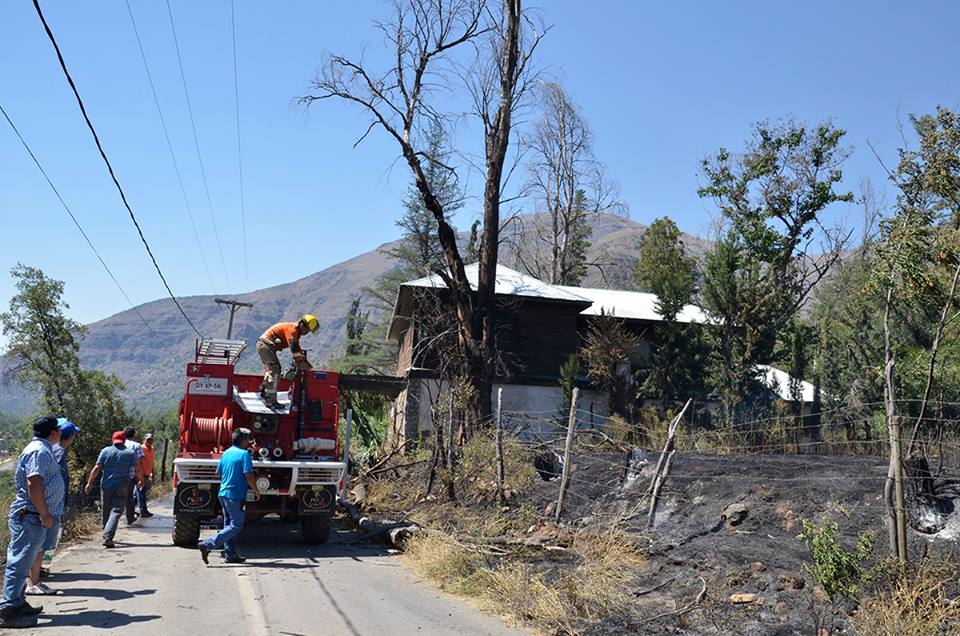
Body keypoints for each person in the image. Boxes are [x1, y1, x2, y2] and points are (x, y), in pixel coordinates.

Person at [0, 416, 65, 629]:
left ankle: (17, 602)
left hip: (32, 516)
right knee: (19, 562)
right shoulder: (39, 450)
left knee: (25, 561)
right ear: (54, 432)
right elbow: (34, 483)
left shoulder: (42, 448)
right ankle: (7, 610)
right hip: (31, 515)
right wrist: (45, 513)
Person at [25, 419, 79, 597]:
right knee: (40, 545)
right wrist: (45, 510)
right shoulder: (53, 452)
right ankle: (32, 582)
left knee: (41, 545)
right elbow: (37, 481)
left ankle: (35, 577)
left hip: (48, 507)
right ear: (67, 436)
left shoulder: (51, 450)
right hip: (46, 508)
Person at [197, 428, 260, 565]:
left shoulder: (226, 453)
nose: (248, 443)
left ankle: (230, 554)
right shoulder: (244, 455)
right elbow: (248, 475)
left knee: (228, 524)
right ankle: (208, 544)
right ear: (243, 440)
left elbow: (218, 473)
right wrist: (256, 490)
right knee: (236, 525)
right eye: (247, 440)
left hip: (223, 493)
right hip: (235, 495)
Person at [84, 431, 142, 548]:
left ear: (113, 440)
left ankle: (105, 533)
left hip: (106, 485)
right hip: (121, 486)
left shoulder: (105, 451)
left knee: (106, 510)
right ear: (124, 440)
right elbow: (137, 469)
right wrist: (141, 480)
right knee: (116, 511)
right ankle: (108, 536)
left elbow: (96, 468)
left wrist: (89, 483)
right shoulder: (129, 453)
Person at [256, 314, 319, 408]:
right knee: (276, 369)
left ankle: (264, 392)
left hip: (265, 345)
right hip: (265, 345)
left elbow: (297, 348)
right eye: (308, 330)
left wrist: (303, 360)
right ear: (302, 324)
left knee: (272, 369)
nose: (307, 333)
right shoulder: (292, 330)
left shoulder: (295, 332)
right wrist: (304, 364)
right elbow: (294, 349)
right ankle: (271, 401)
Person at [122, 426, 144, 525]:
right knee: (129, 497)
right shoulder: (136, 445)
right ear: (134, 435)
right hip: (132, 475)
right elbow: (139, 463)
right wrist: (140, 478)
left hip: (120, 474)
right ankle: (130, 517)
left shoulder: (120, 444)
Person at [133, 433, 156, 518]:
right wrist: (140, 476)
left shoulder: (152, 449)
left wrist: (152, 471)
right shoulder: (141, 449)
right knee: (141, 493)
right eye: (148, 439)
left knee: (137, 494)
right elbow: (138, 462)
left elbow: (152, 462)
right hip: (141, 474)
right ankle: (143, 511)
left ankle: (130, 510)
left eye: (151, 439)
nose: (149, 441)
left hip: (147, 474)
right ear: (144, 440)